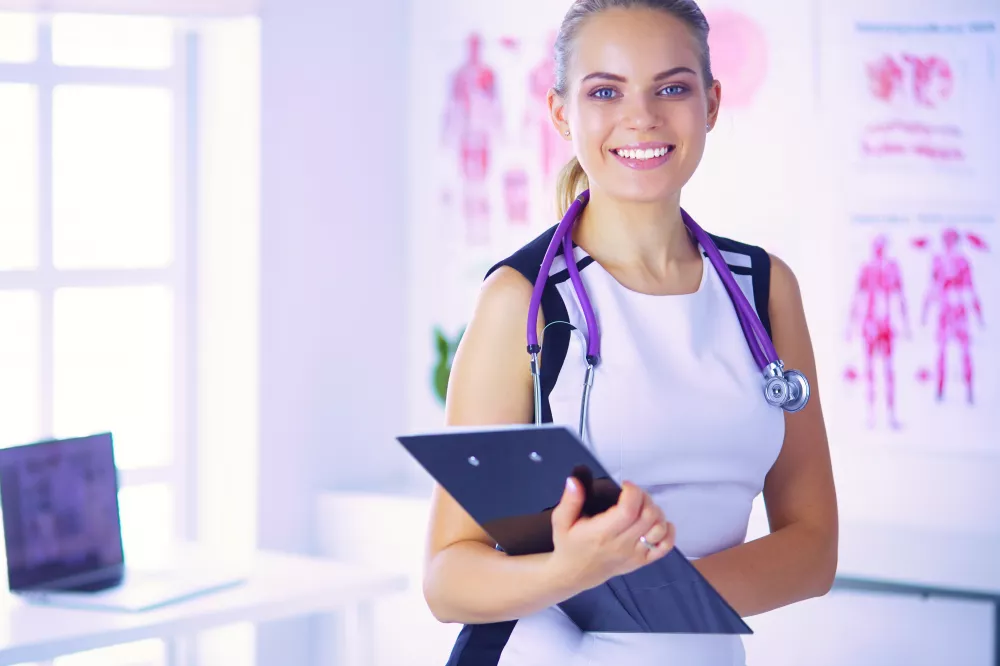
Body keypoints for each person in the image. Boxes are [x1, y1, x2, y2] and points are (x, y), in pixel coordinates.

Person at [422, 1, 839, 664]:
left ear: (712, 103)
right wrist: (570, 572)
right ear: (562, 113)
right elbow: (447, 581)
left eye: (672, 88)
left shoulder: (764, 288)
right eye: (605, 91)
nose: (641, 117)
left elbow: (813, 547)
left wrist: (662, 596)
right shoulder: (523, 300)